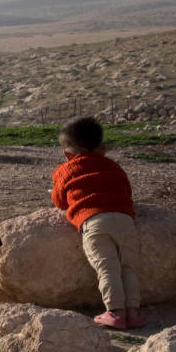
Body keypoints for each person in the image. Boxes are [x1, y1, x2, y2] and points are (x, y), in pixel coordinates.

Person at [52, 116, 144, 330]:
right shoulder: (114, 167)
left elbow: (59, 200)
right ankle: (134, 312)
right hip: (125, 220)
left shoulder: (65, 170)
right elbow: (126, 190)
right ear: (102, 149)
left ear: (67, 155)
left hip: (95, 222)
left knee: (107, 268)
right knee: (128, 267)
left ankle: (115, 313)